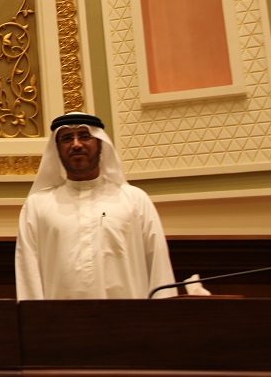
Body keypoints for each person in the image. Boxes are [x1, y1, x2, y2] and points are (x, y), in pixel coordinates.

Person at [15, 112, 176, 299]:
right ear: (56, 149)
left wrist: (164, 314)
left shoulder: (135, 200)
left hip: (128, 316)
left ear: (100, 144)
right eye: (67, 138)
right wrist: (33, 316)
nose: (76, 144)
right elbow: (28, 276)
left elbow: (159, 268)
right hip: (60, 317)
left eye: (85, 136)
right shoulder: (37, 206)